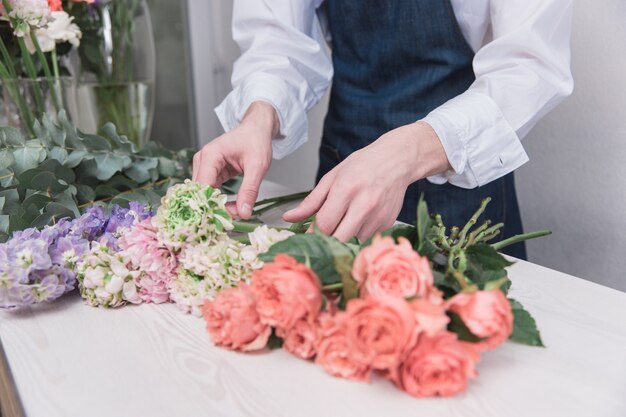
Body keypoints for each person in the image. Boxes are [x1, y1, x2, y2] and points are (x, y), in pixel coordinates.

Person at [192, 0, 573, 258]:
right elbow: (277, 36)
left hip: (464, 188)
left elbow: (530, 67)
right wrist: (259, 115)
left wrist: (405, 153)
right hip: (341, 174)